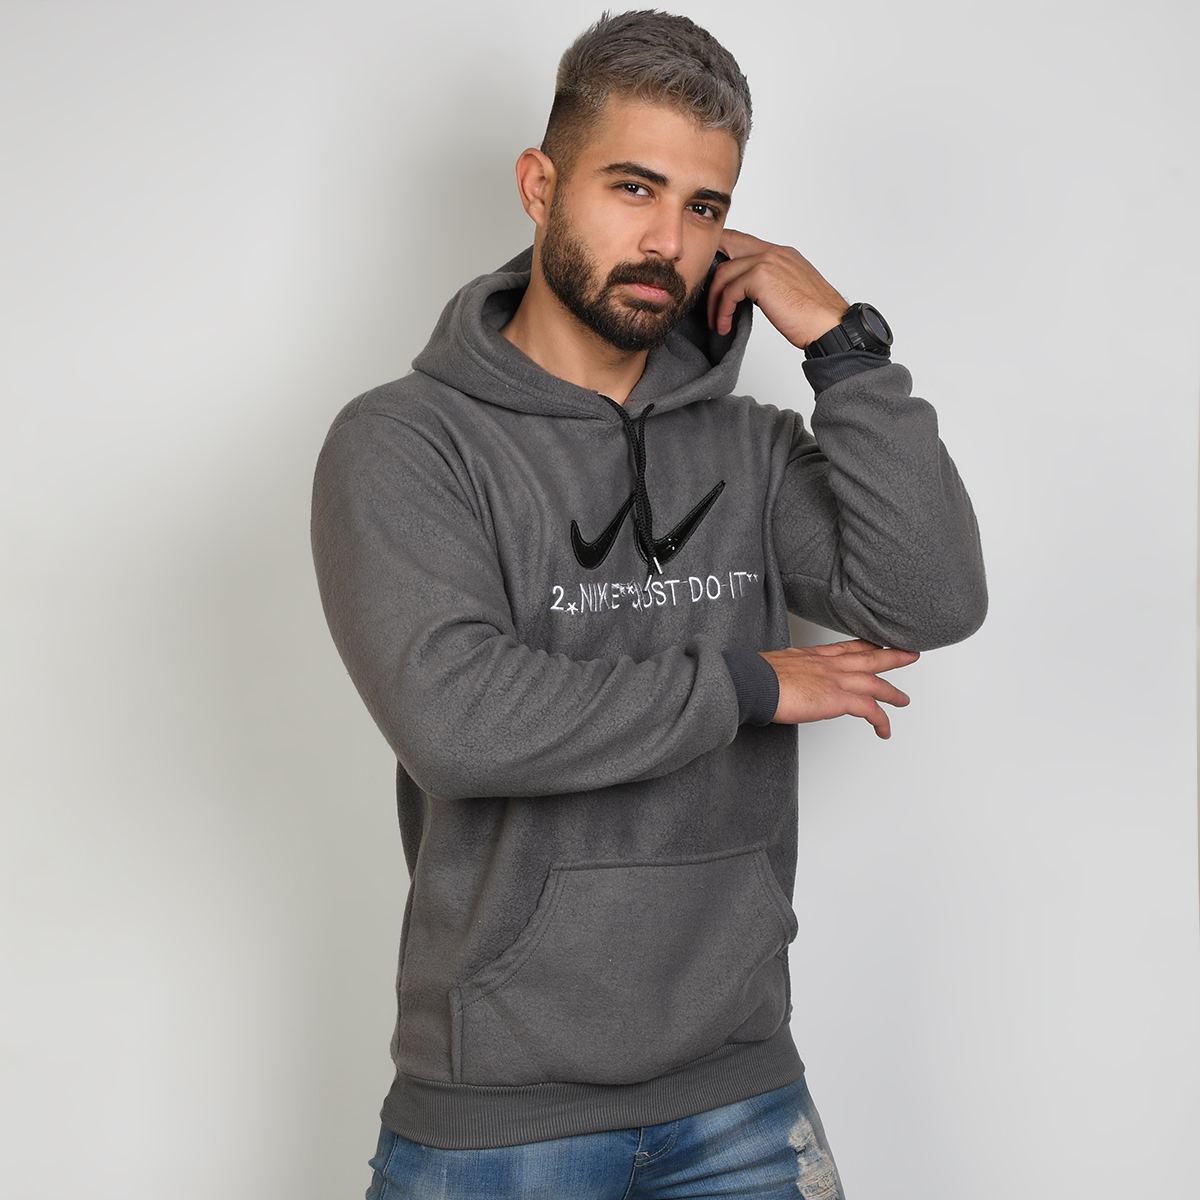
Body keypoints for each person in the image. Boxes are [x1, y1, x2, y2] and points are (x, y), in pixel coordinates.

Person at [311, 10, 986, 1198]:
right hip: (502, 1118)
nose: (668, 240)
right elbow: (459, 722)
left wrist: (845, 349)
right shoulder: (406, 444)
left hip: (741, 1088)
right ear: (540, 185)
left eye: (705, 205)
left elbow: (932, 596)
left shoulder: (752, 448)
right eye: (633, 187)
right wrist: (747, 685)